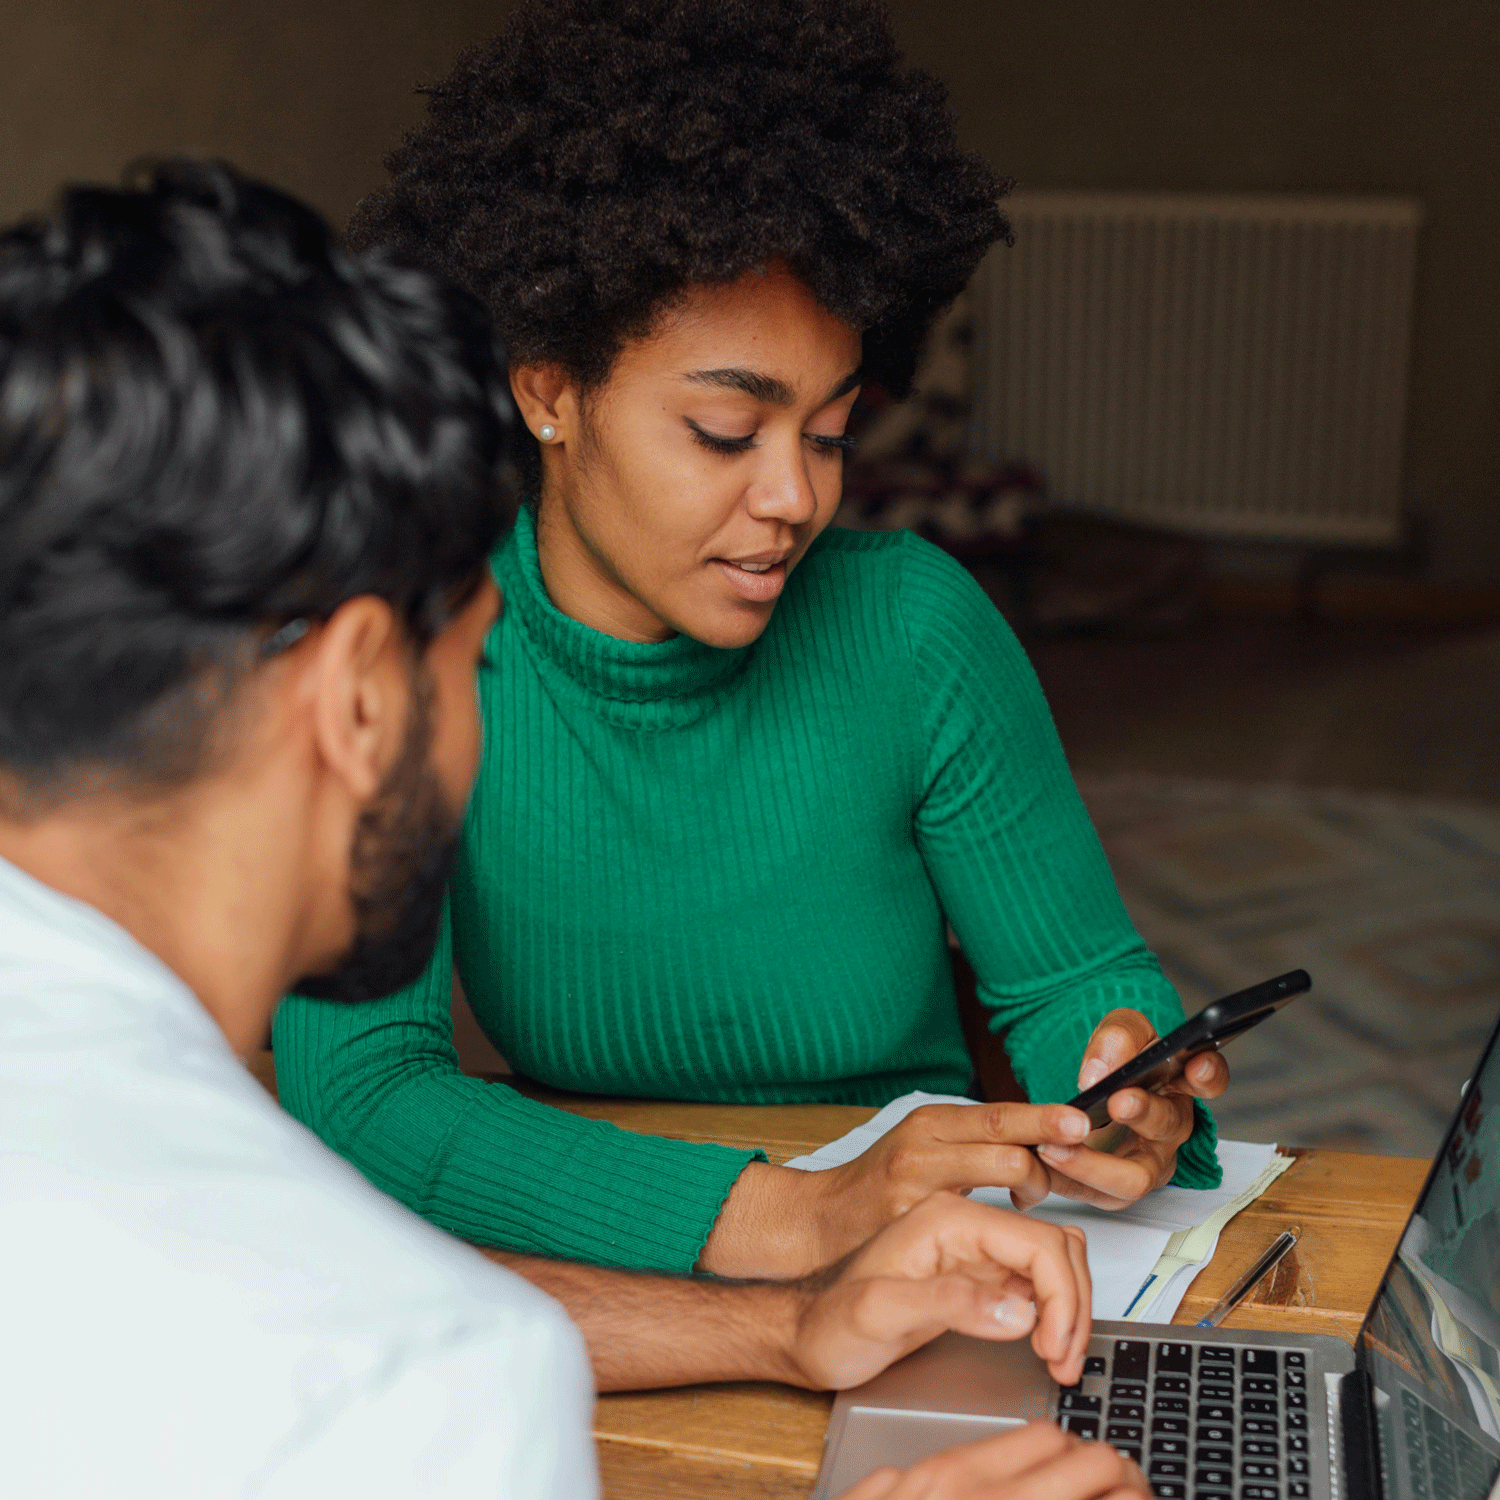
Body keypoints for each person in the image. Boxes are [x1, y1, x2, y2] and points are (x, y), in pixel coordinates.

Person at [0, 159, 1148, 1500]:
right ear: (362, 696)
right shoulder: (433, 1384)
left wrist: (779, 1328)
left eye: (829, 432)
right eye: (471, 659)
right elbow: (369, 1309)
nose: (791, 495)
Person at [273, 0, 1230, 1283]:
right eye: (729, 431)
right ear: (549, 389)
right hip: (611, 1251)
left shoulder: (913, 626)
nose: (796, 497)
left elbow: (1075, 980)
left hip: (928, 1256)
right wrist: (788, 1217)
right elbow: (368, 1090)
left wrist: (1124, 1076)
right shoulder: (415, 649)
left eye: (829, 433)